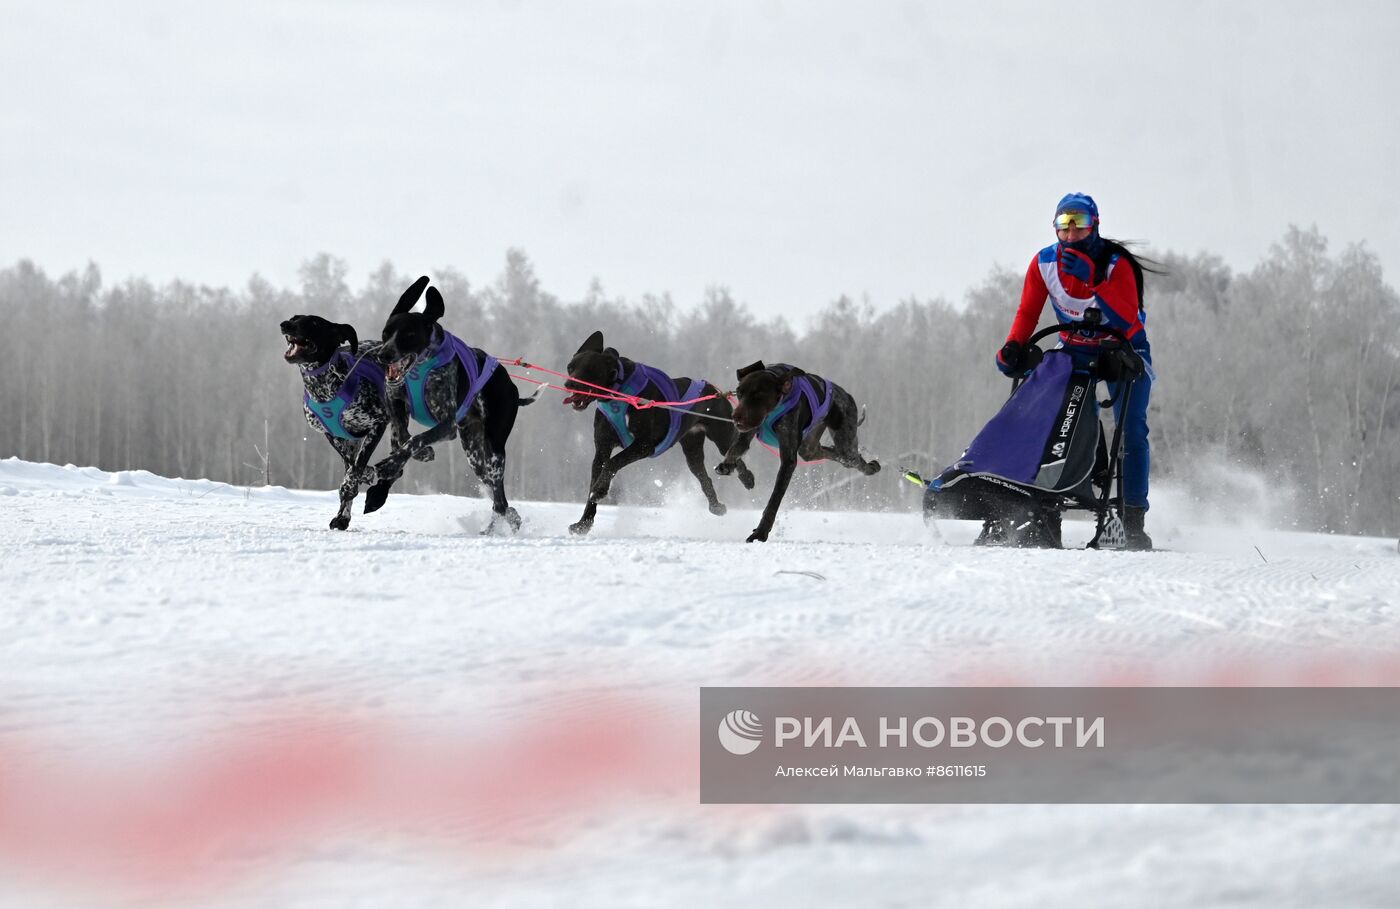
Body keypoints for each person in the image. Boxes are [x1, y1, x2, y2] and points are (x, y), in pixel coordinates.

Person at [995, 192, 1156, 549]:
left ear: (1094, 226)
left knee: (1131, 427)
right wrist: (1012, 346)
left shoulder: (1116, 265)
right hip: (1073, 348)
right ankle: (1045, 510)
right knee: (1047, 415)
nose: (1070, 234)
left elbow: (1128, 320)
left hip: (1124, 350)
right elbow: (1027, 313)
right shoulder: (1044, 264)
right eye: (1063, 225)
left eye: (1078, 224)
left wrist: (1097, 282)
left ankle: (1133, 519)